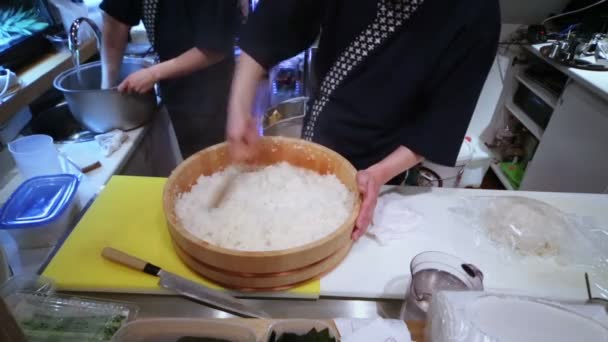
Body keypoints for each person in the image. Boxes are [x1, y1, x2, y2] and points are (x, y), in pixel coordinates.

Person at [227, 0, 500, 239]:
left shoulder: (476, 13)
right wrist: (239, 107)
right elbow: (275, 21)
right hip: (317, 135)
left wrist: (377, 175)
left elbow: (440, 123)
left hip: (384, 170)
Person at [100, 0, 239, 158]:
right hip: (172, 89)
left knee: (215, 161)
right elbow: (115, 21)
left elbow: (215, 49)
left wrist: (153, 74)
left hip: (212, 91)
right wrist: (106, 88)